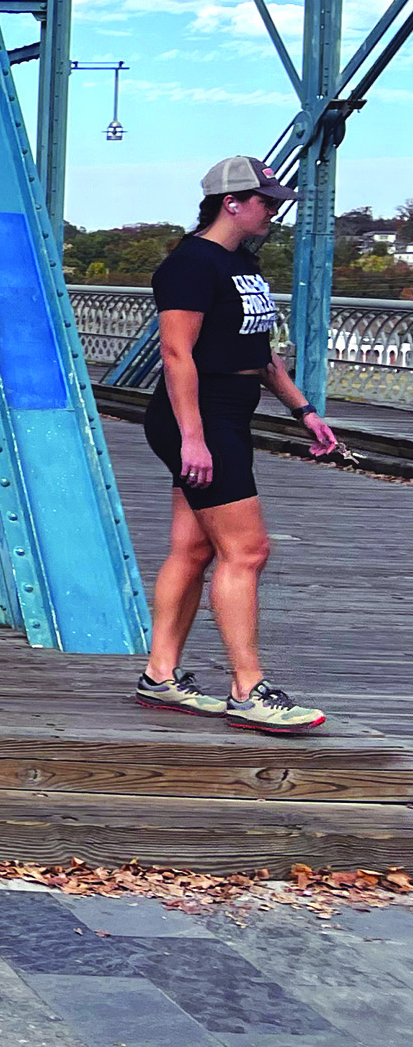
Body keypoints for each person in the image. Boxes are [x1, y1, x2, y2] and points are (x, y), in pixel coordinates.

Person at [135, 158, 339, 735]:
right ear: (232, 202)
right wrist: (193, 440)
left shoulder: (240, 264)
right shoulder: (191, 265)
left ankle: (161, 675)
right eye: (266, 202)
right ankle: (249, 689)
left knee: (193, 549)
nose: (274, 211)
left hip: (227, 412)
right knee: (247, 551)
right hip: (197, 419)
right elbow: (177, 354)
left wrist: (303, 410)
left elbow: (261, 351)